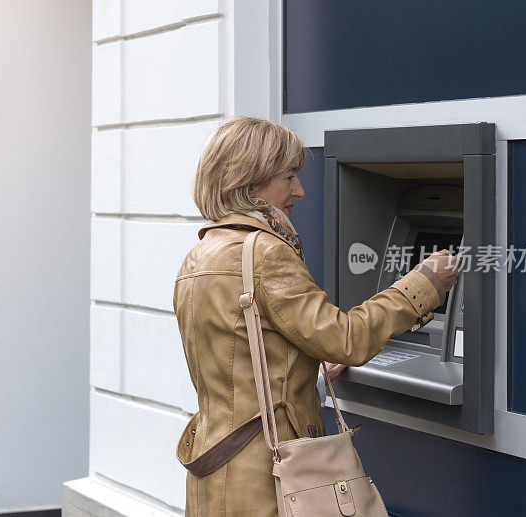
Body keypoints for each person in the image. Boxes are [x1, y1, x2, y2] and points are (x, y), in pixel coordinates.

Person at [173, 117, 459, 516]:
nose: (300, 191)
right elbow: (349, 339)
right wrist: (423, 284)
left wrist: (309, 373)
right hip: (268, 481)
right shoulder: (264, 254)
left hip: (219, 471)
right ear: (251, 182)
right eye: (288, 177)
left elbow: (238, 365)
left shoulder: (201, 255)